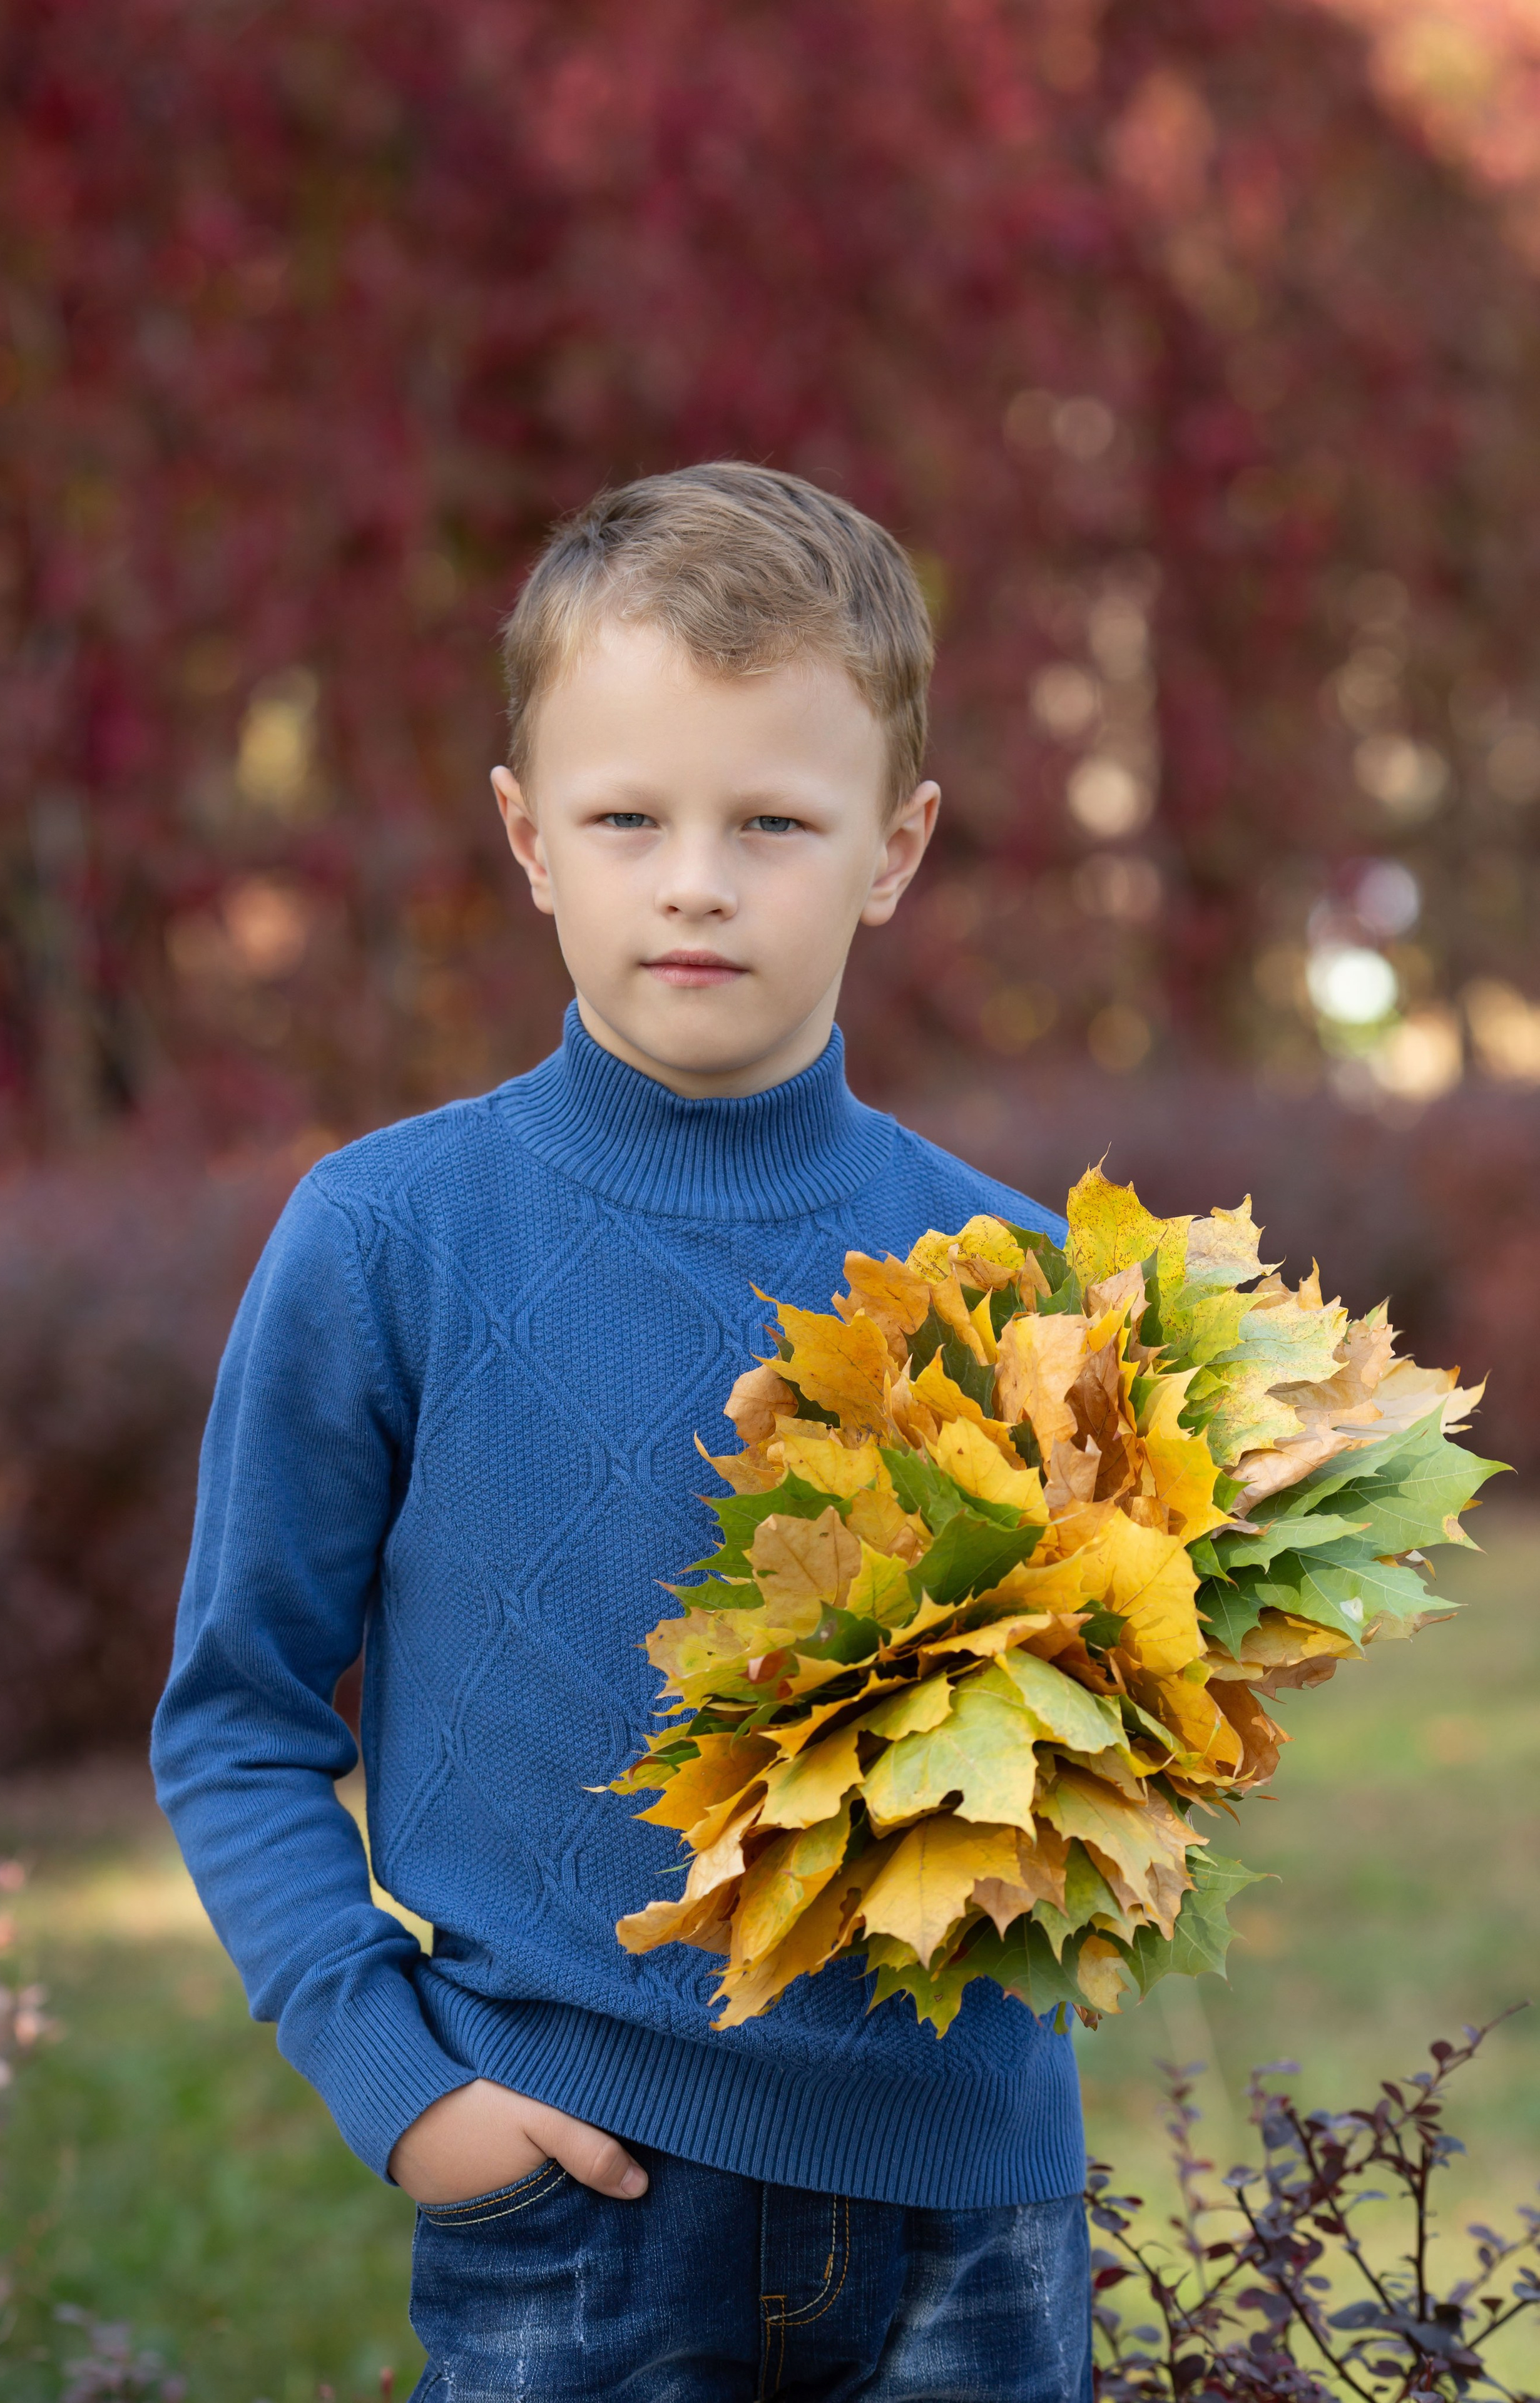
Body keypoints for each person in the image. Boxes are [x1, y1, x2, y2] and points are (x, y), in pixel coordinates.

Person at [153, 463, 1091, 2402]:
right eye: (628, 818)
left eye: (773, 822)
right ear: (527, 838)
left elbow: (1099, 1739)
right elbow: (238, 1714)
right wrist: (405, 2094)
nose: (695, 880)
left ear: (895, 847)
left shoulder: (1016, 1271)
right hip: (570, 2196)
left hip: (972, 2207)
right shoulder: (389, 1237)